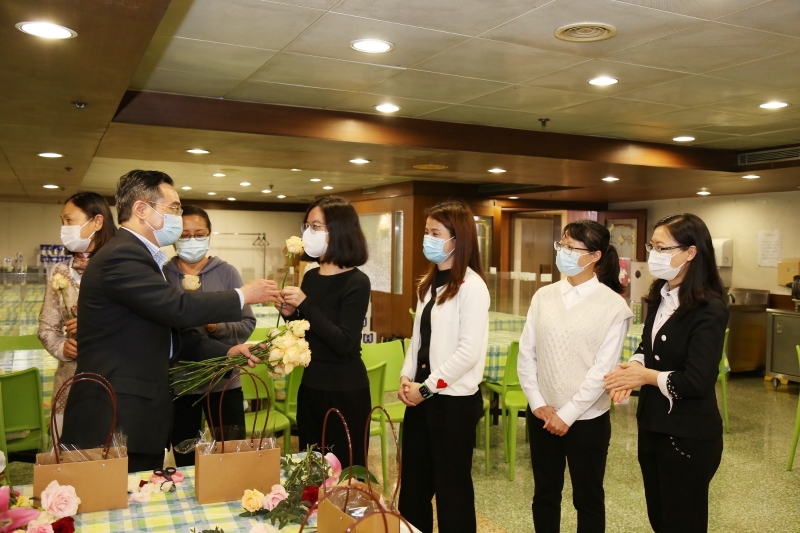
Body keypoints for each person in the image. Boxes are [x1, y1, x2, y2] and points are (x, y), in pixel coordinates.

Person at [61, 170, 280, 473]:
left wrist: (227, 351)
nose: (178, 216)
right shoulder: (122, 255)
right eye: (174, 208)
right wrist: (241, 295)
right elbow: (178, 308)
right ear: (141, 209)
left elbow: (169, 332)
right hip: (116, 414)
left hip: (134, 413)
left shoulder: (142, 256)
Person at [605, 213, 728, 533]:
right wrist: (634, 366)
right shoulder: (660, 295)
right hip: (652, 425)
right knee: (660, 518)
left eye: (662, 248)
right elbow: (647, 346)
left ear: (690, 252)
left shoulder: (709, 308)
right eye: (652, 247)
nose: (654, 255)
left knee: (683, 522)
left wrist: (645, 377)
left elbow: (698, 380)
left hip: (688, 435)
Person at [517, 220, 633, 533]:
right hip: (542, 415)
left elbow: (602, 370)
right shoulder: (543, 296)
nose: (563, 252)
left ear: (595, 256)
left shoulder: (613, 306)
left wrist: (567, 414)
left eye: (571, 247)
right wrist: (537, 403)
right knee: (544, 494)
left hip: (587, 418)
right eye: (562, 245)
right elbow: (527, 353)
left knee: (588, 497)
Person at [397, 199, 490, 533]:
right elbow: (418, 338)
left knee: (453, 493)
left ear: (457, 239)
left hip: (453, 404)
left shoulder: (472, 287)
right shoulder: (429, 282)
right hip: (420, 400)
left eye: (435, 233)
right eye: (427, 232)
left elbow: (467, 353)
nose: (428, 239)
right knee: (413, 489)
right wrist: (406, 375)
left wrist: (425, 388)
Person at [278, 196, 371, 468]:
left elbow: (343, 342)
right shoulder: (311, 275)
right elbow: (307, 333)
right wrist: (290, 314)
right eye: (307, 226)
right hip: (311, 386)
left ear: (339, 230)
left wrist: (305, 303)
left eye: (316, 226)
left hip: (344, 390)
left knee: (345, 472)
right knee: (311, 470)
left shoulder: (357, 281)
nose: (309, 233)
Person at [164, 205, 256, 467]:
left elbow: (247, 323)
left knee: (231, 454)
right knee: (185, 456)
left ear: (209, 235)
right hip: (181, 382)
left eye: (199, 234)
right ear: (174, 237)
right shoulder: (162, 275)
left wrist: (217, 327)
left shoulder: (227, 273)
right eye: (185, 235)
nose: (192, 240)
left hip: (224, 381)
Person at [38, 192, 117, 432]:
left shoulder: (119, 266)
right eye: (62, 221)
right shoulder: (60, 272)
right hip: (70, 381)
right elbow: (47, 328)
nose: (64, 227)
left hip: (114, 379)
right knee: (71, 448)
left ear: (97, 222)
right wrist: (63, 347)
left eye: (70, 220)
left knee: (113, 447)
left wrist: (93, 325)